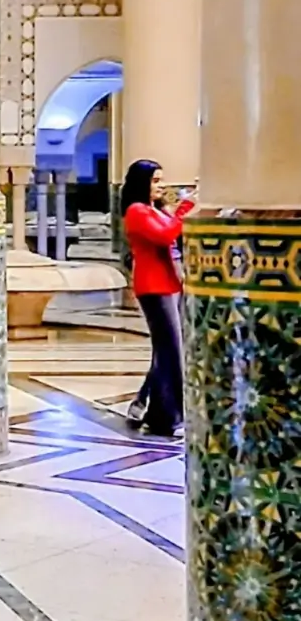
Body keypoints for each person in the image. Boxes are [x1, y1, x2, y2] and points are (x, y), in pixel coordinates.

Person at [119, 159, 194, 438]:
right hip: (154, 286)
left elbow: (174, 232)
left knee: (166, 351)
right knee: (171, 351)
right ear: (142, 183)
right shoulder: (136, 211)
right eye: (155, 181)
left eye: (161, 180)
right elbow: (164, 236)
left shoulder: (154, 209)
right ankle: (169, 418)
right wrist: (184, 209)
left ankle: (149, 408)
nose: (161, 186)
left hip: (169, 283)